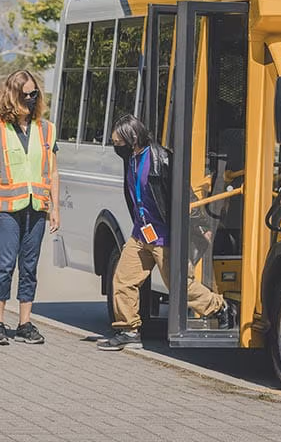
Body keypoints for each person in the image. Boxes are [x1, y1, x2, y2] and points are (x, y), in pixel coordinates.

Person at [97, 114, 235, 351]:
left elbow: (184, 194)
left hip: (164, 236)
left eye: (118, 142)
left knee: (180, 285)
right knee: (122, 279)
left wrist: (200, 225)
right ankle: (128, 329)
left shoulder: (162, 159)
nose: (116, 147)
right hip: (141, 233)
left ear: (133, 138)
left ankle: (220, 307)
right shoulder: (130, 158)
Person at [0, 70, 60, 345]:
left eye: (33, 94)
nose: (30, 98)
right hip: (5, 208)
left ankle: (24, 323)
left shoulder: (46, 129)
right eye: (24, 94)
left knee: (29, 266)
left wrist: (55, 208)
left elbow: (53, 172)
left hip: (36, 207)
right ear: (12, 95)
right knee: (4, 265)